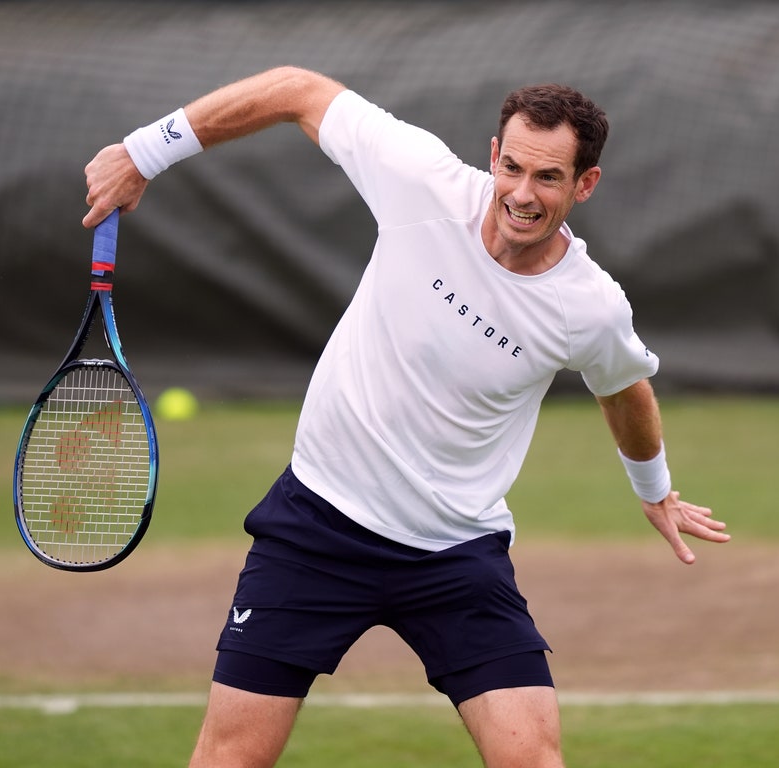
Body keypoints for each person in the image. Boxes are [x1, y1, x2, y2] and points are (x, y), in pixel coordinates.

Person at [83, 66, 730, 768]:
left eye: (547, 178)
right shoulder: (419, 181)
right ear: (492, 154)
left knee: (532, 761)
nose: (520, 193)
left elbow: (625, 387)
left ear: (585, 184)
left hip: (456, 553)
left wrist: (653, 487)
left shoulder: (590, 307)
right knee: (228, 759)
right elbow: (296, 90)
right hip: (315, 530)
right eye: (511, 167)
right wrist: (144, 152)